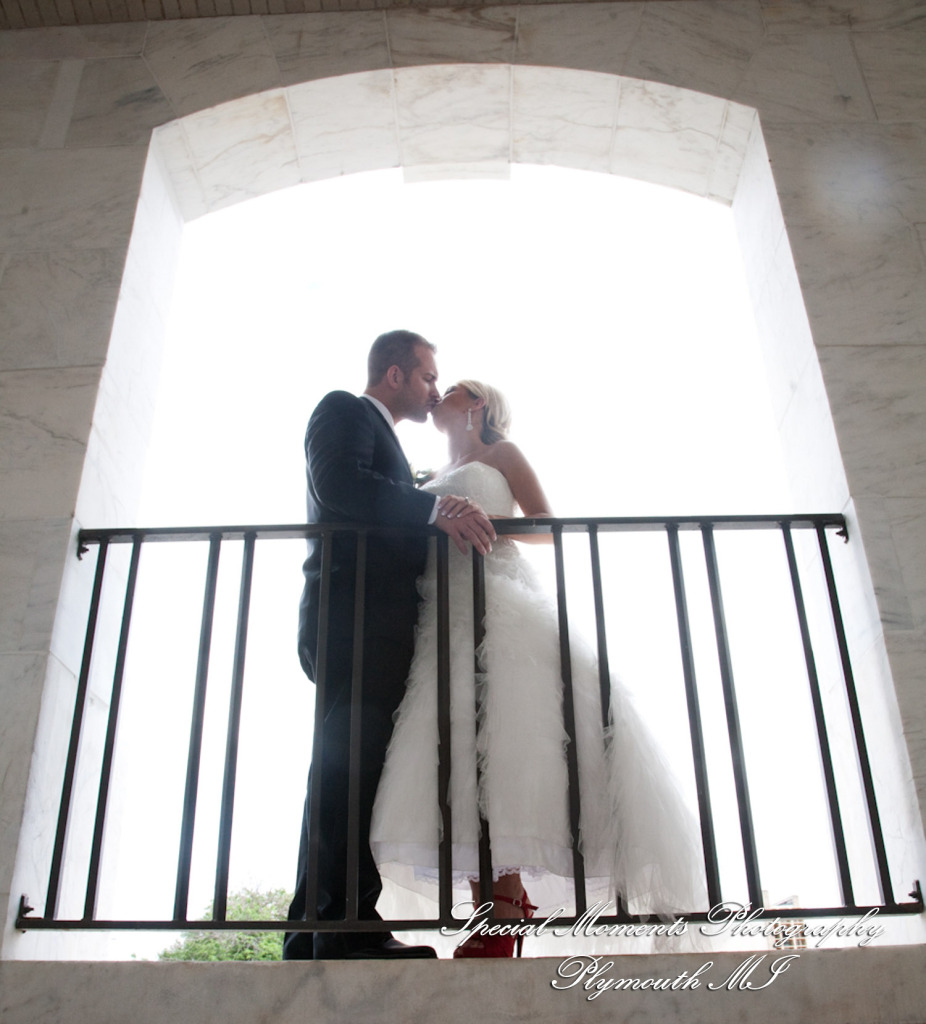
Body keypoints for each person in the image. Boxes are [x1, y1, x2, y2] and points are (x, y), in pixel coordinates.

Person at [370, 380, 705, 957]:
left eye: (447, 390)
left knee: (510, 742)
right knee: (458, 749)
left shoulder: (501, 454)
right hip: (442, 615)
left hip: (500, 600)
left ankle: (501, 913)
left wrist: (481, 520)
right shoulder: (424, 474)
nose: (436, 397)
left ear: (475, 404)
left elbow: (548, 523)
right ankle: (495, 909)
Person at [284, 333, 496, 960]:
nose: (435, 390)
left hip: (369, 622)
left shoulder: (387, 444)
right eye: (429, 378)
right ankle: (344, 931)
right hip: (352, 618)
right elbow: (341, 486)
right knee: (345, 772)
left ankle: (315, 930)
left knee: (346, 773)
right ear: (397, 374)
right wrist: (433, 511)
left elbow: (375, 499)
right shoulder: (342, 410)